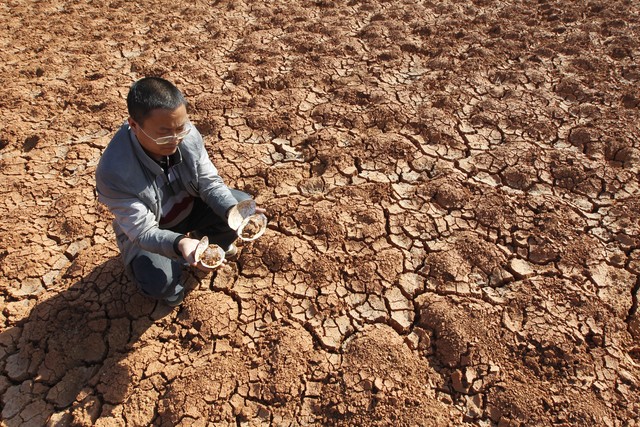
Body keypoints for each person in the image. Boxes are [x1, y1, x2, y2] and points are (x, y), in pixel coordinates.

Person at [96, 77, 262, 307]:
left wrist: (232, 211)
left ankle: (210, 246)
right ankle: (175, 277)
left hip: (190, 209)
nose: (175, 139)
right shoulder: (113, 172)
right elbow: (143, 231)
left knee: (237, 203)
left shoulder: (187, 135)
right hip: (153, 229)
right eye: (164, 133)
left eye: (180, 128)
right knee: (159, 283)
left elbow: (209, 183)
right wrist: (180, 244)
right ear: (134, 125)